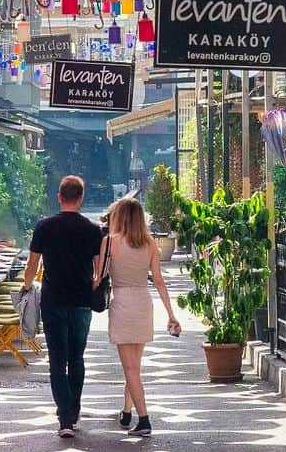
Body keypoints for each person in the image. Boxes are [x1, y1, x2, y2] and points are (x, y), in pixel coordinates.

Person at [22, 175, 105, 438]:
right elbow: (98, 270)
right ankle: (75, 409)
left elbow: (32, 265)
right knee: (76, 357)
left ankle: (64, 417)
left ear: (59, 197)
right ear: (81, 198)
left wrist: (27, 287)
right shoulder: (93, 230)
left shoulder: (44, 227)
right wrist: (93, 284)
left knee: (57, 359)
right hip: (81, 300)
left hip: (52, 299)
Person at [104, 197, 178, 437]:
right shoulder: (149, 243)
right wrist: (170, 313)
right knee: (134, 366)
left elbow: (99, 276)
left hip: (123, 302)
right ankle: (126, 411)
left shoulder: (110, 243)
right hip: (144, 303)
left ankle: (144, 419)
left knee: (130, 368)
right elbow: (158, 280)